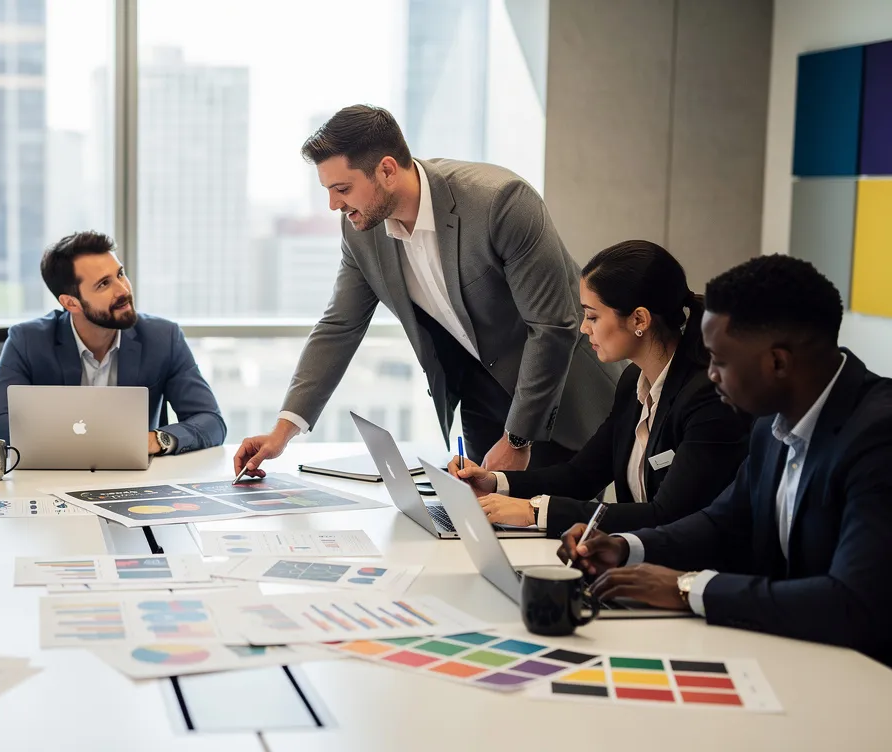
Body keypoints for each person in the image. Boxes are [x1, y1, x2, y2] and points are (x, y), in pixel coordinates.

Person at [234, 105, 619, 480]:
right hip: (480, 399)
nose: (335, 205)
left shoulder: (500, 202)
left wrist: (518, 438)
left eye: (342, 188)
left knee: (553, 530)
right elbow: (339, 326)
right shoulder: (360, 231)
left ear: (386, 170)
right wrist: (283, 431)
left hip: (558, 396)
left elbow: (552, 325)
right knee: (487, 527)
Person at [559, 255, 892, 665]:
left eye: (719, 360)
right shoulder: (774, 420)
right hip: (794, 653)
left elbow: (852, 603)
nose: (709, 374)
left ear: (777, 362)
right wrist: (626, 548)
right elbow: (725, 520)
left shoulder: (879, 437)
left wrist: (688, 588)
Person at [451, 240, 752, 536]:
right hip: (638, 560)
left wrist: (534, 511)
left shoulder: (707, 397)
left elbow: (668, 514)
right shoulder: (632, 382)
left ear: (639, 319)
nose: (584, 328)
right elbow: (580, 476)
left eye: (593, 316)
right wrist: (493, 481)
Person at [0, 231, 225, 456]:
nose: (123, 290)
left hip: (134, 484)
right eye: (103, 284)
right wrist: (83, 443)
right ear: (71, 303)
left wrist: (157, 439)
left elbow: (211, 421)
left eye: (120, 274)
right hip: (52, 479)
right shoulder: (27, 341)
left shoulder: (163, 337)